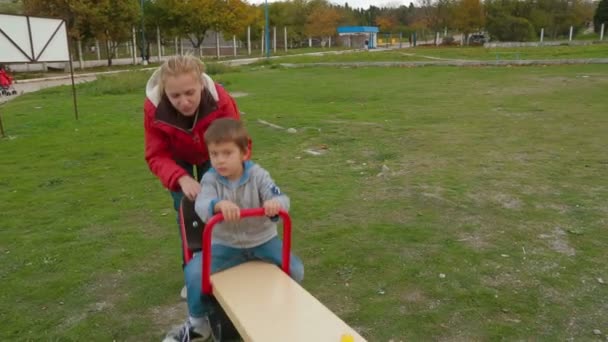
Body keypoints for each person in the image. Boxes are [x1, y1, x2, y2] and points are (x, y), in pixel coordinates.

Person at [163, 119, 304, 342]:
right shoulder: (210, 180)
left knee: (295, 269)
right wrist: (217, 205)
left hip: (262, 241)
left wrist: (275, 204)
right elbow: (201, 203)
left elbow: (281, 197)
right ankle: (198, 323)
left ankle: (280, 310)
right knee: (193, 273)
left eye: (227, 153)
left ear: (244, 153)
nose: (219, 160)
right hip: (225, 246)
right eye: (214, 154)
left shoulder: (258, 175)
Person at [144, 55, 241, 297]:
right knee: (187, 211)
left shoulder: (221, 101)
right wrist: (180, 178)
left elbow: (237, 143)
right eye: (175, 96)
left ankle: (224, 266)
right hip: (177, 156)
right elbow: (156, 154)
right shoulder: (153, 108)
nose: (184, 102)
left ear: (201, 85)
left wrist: (219, 178)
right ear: (165, 91)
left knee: (219, 205)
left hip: (215, 151)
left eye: (190, 93)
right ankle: (194, 273)